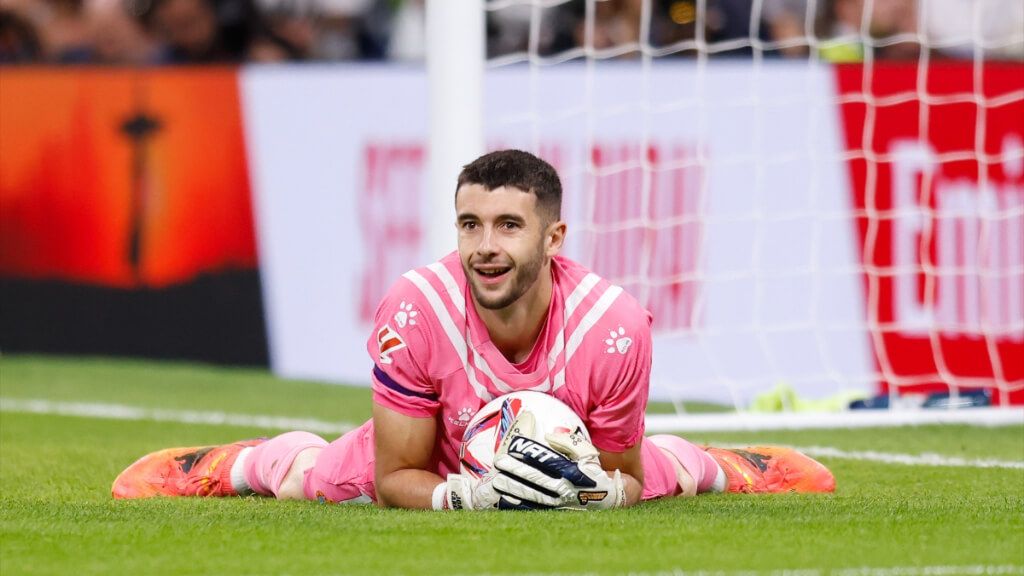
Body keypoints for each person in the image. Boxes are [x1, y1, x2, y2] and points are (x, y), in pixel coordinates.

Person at [112, 150, 835, 510]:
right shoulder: (415, 308)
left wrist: (580, 491)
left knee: (655, 483)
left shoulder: (614, 327)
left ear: (554, 238)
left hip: (570, 457)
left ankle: (727, 466)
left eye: (508, 226)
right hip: (441, 453)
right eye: (470, 224)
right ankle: (237, 463)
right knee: (318, 483)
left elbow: (619, 473)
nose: (485, 245)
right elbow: (398, 472)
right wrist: (464, 497)